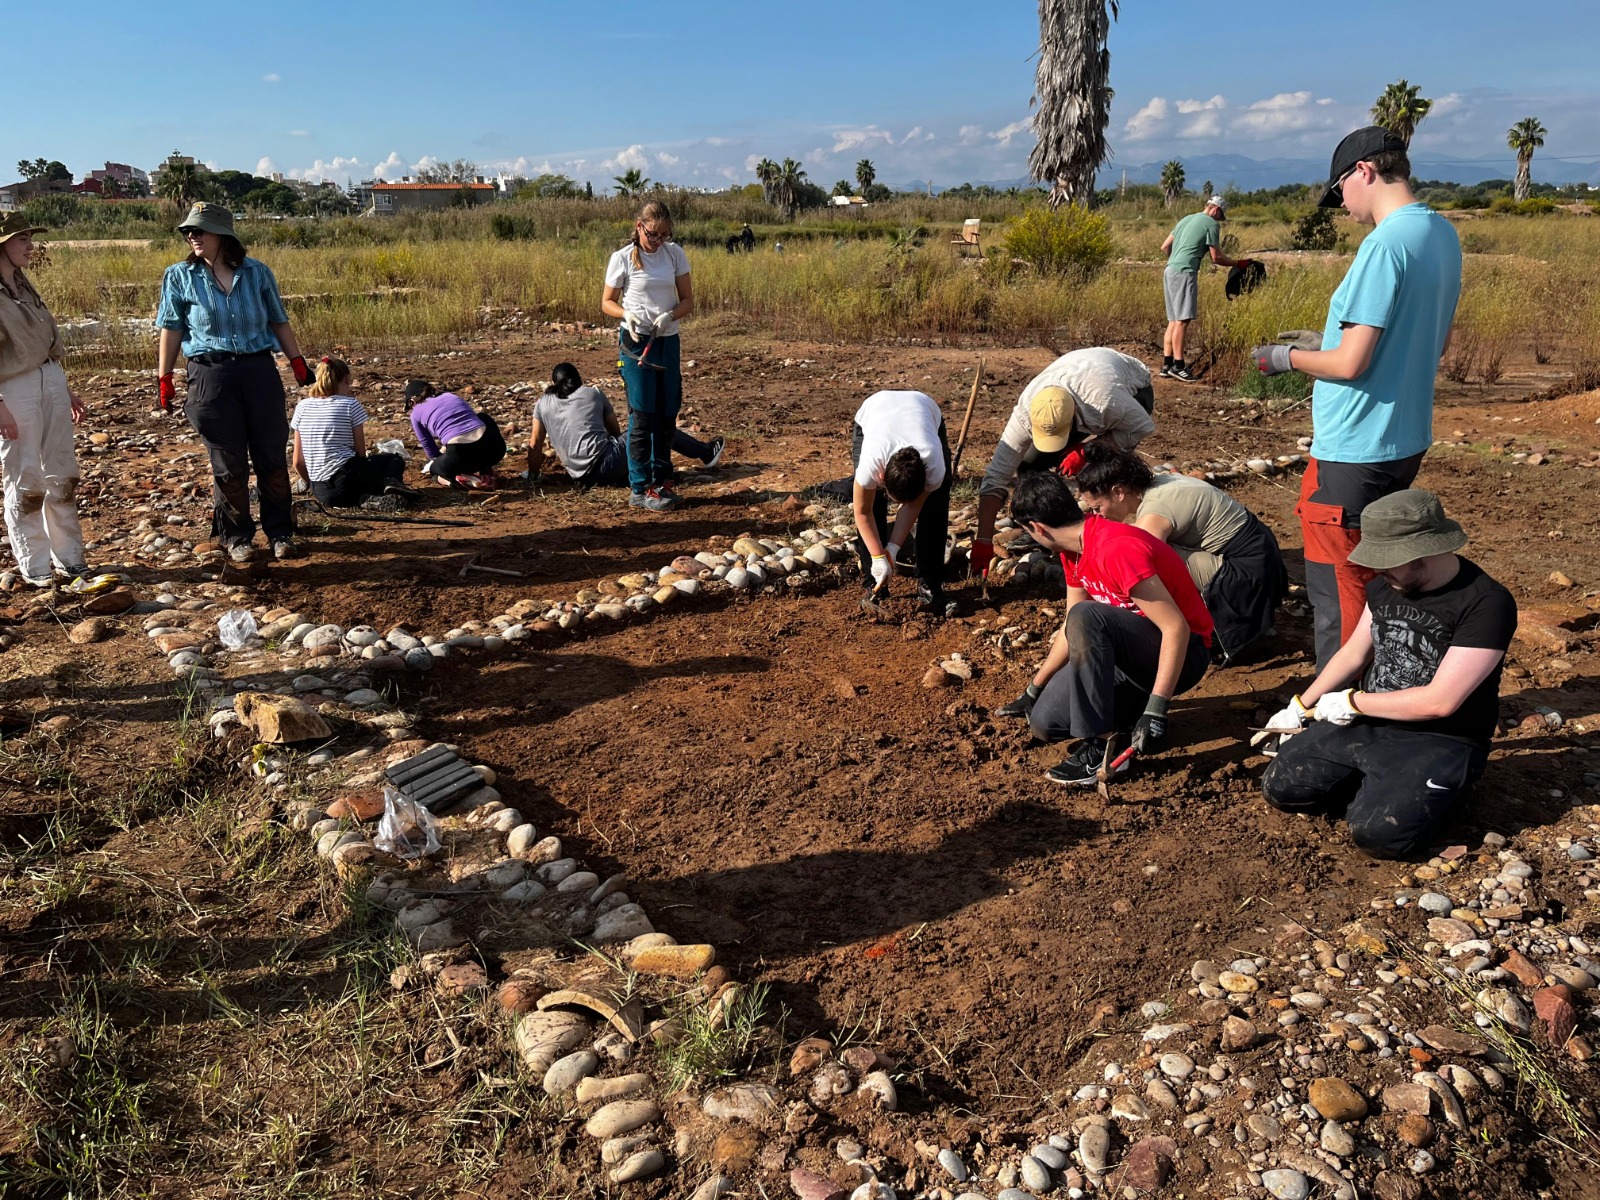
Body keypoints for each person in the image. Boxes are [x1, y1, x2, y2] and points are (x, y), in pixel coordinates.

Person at [1250, 128, 1463, 671]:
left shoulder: (1385, 244)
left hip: (1354, 449)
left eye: (1340, 189)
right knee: (1385, 574)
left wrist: (1284, 358)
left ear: (1364, 171)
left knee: (1339, 594)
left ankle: (1339, 713)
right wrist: (1326, 343)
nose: (1342, 204)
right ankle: (1384, 688)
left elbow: (1350, 363)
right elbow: (1425, 343)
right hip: (1403, 438)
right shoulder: (1441, 235)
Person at [1253, 490, 1515, 859]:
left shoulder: (1485, 603)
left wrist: (1352, 701)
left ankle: (1442, 791)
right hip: (1370, 721)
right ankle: (1381, 782)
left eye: (1388, 559)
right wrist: (1300, 705)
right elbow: (1355, 653)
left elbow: (1441, 702)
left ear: (1426, 550)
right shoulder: (1385, 586)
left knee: (1380, 836)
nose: (1378, 569)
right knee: (1283, 788)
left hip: (1441, 737)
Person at [998, 470, 1213, 786]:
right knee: (1045, 723)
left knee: (1089, 615)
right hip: (1128, 658)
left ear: (1037, 528)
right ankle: (1122, 723)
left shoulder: (1115, 548)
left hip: (1184, 653)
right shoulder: (1073, 552)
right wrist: (1034, 688)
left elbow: (1176, 627)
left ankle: (1101, 746)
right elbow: (1073, 627)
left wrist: (1157, 708)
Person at [156, 202, 311, 562]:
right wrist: (164, 376)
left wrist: (297, 361)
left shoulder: (257, 273)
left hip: (258, 372)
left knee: (271, 456)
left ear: (223, 235)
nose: (192, 236)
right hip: (211, 375)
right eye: (188, 231)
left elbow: (278, 320)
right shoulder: (179, 276)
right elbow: (172, 327)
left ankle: (280, 532)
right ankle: (236, 535)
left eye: (200, 230)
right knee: (228, 464)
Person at [1074, 444, 1288, 664]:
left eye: (1097, 508)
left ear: (1119, 492)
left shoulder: (1155, 511)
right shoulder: (1160, 482)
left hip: (1246, 572)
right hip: (1261, 551)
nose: (1096, 515)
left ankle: (1190, 631)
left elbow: (1134, 566)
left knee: (1147, 560)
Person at [970, 347, 1154, 578]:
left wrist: (1088, 450)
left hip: (1134, 389)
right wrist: (983, 540)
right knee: (1029, 463)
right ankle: (1042, 527)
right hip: (1080, 384)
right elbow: (996, 477)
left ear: (1074, 418)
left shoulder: (1107, 402)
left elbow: (1143, 427)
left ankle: (1108, 532)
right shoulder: (1027, 410)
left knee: (1105, 468)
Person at [0, 214, 88, 585]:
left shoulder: (22, 283)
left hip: (47, 376)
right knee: (24, 476)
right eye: (21, 239)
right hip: (13, 386)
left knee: (62, 471)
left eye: (28, 238)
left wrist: (64, 388)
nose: (30, 245)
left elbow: (43, 342)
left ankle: (70, 557)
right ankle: (35, 566)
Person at [601, 200, 694, 512]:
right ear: (640, 227)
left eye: (665, 235)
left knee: (667, 412)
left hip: (667, 339)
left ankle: (662, 479)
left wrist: (670, 315)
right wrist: (625, 315)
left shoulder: (674, 254)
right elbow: (607, 302)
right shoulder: (623, 258)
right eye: (654, 234)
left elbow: (688, 300)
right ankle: (640, 487)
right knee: (642, 415)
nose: (659, 241)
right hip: (636, 341)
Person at [526, 362, 722, 487]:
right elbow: (615, 430)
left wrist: (534, 475)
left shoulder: (543, 403)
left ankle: (638, 476)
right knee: (654, 428)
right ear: (578, 380)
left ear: (553, 383)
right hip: (605, 464)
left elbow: (535, 444)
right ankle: (705, 453)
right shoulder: (591, 393)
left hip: (580, 477)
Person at [851, 389, 953, 615]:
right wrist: (879, 557)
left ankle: (930, 584)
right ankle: (873, 582)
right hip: (874, 410)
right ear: (882, 478)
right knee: (873, 503)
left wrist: (894, 548)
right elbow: (862, 512)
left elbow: (915, 505)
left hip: (924, 408)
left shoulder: (934, 467)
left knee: (935, 505)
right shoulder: (871, 465)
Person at [290, 357, 417, 509]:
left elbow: (297, 462)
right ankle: (381, 487)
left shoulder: (302, 407)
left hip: (322, 493)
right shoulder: (350, 405)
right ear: (346, 379)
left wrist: (310, 483)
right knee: (393, 460)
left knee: (344, 485)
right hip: (346, 480)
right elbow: (360, 454)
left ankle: (362, 499)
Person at [1160, 196, 1252, 381]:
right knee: (1182, 321)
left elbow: (1164, 246)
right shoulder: (1211, 223)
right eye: (1220, 216)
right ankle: (1178, 366)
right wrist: (1238, 263)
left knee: (1173, 320)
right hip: (1185, 272)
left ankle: (1166, 364)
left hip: (1170, 270)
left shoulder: (1186, 219)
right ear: (1216, 210)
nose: (1219, 220)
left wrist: (1176, 259)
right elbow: (1216, 257)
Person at [406, 380, 506, 489]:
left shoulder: (415, 413)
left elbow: (427, 444)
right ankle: (486, 471)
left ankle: (459, 480)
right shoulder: (450, 396)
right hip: (495, 451)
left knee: (434, 469)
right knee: (482, 417)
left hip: (460, 456)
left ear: (412, 400)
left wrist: (441, 461)